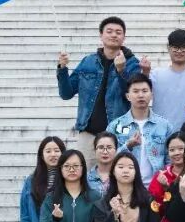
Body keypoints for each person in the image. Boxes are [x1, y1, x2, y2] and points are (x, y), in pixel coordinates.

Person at [57, 16, 141, 164]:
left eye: (118, 32)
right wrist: (62, 69)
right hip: (88, 132)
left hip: (119, 133)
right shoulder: (88, 61)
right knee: (85, 174)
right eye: (109, 31)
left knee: (118, 173)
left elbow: (132, 95)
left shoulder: (132, 63)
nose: (114, 35)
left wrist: (121, 71)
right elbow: (66, 93)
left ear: (124, 38)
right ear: (101, 35)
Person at [106, 73, 173, 181]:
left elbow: (170, 160)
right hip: (126, 185)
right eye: (136, 91)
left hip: (155, 185)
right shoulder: (115, 126)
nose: (141, 95)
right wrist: (127, 146)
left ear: (151, 95)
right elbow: (108, 159)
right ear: (128, 96)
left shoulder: (164, 125)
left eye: (145, 91)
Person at [147, 29, 185, 129]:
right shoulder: (156, 74)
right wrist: (145, 72)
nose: (179, 51)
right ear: (169, 48)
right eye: (175, 47)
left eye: (184, 47)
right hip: (159, 132)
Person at [87, 132, 118, 197]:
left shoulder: (121, 176)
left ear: (116, 150)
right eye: (101, 147)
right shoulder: (86, 178)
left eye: (109, 147)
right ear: (95, 150)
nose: (105, 152)